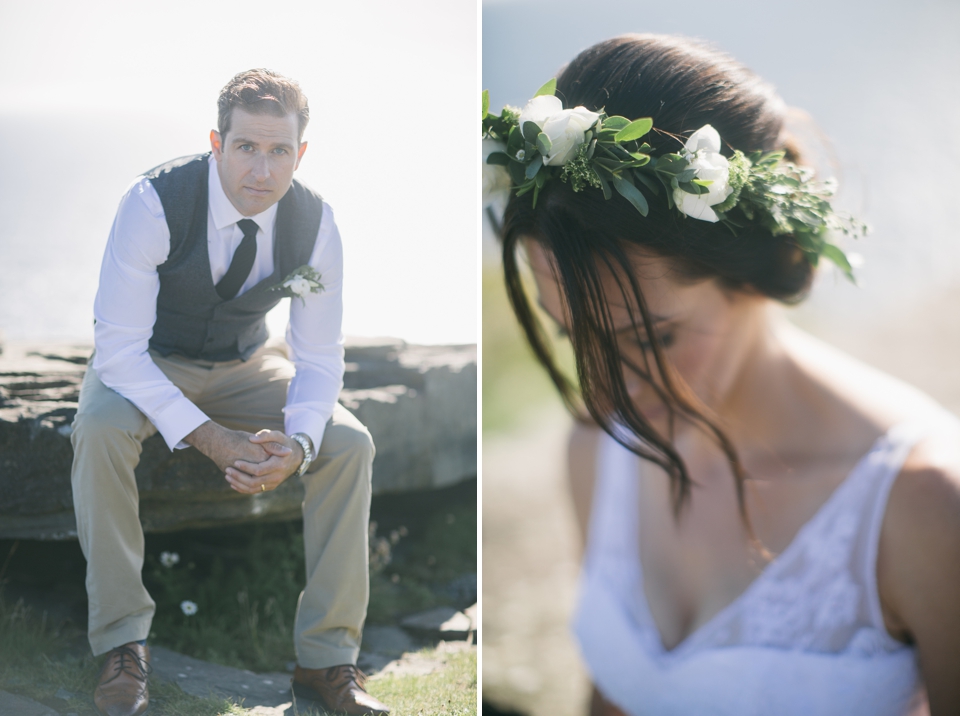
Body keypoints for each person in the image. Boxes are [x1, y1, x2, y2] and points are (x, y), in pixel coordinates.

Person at [483, 35, 960, 715]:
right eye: (572, 336)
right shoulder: (597, 450)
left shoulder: (927, 509)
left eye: (652, 337)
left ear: (752, 273)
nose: (608, 388)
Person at [71, 69, 389, 716]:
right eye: (246, 147)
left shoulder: (316, 225)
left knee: (350, 443)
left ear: (300, 155)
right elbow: (120, 351)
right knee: (99, 431)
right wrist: (212, 440)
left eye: (279, 152)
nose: (262, 170)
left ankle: (326, 660)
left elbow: (320, 356)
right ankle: (122, 647)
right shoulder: (153, 203)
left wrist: (299, 444)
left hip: (247, 365)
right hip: (147, 362)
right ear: (217, 143)